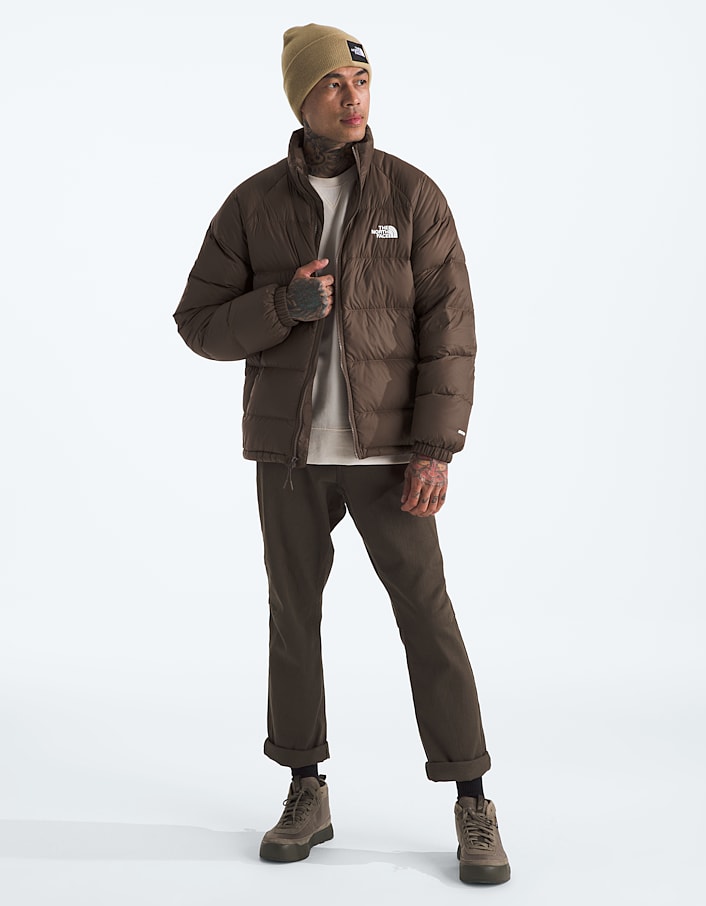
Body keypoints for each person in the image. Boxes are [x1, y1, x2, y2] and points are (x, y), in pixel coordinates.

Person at [173, 23, 510, 885]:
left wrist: (435, 448)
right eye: (332, 82)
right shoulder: (253, 205)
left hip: (391, 456)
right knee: (294, 615)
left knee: (426, 616)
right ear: (302, 97)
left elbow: (451, 331)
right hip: (289, 456)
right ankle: (305, 788)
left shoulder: (412, 196)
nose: (352, 96)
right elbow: (197, 324)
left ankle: (472, 799)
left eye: (361, 79)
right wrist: (280, 307)